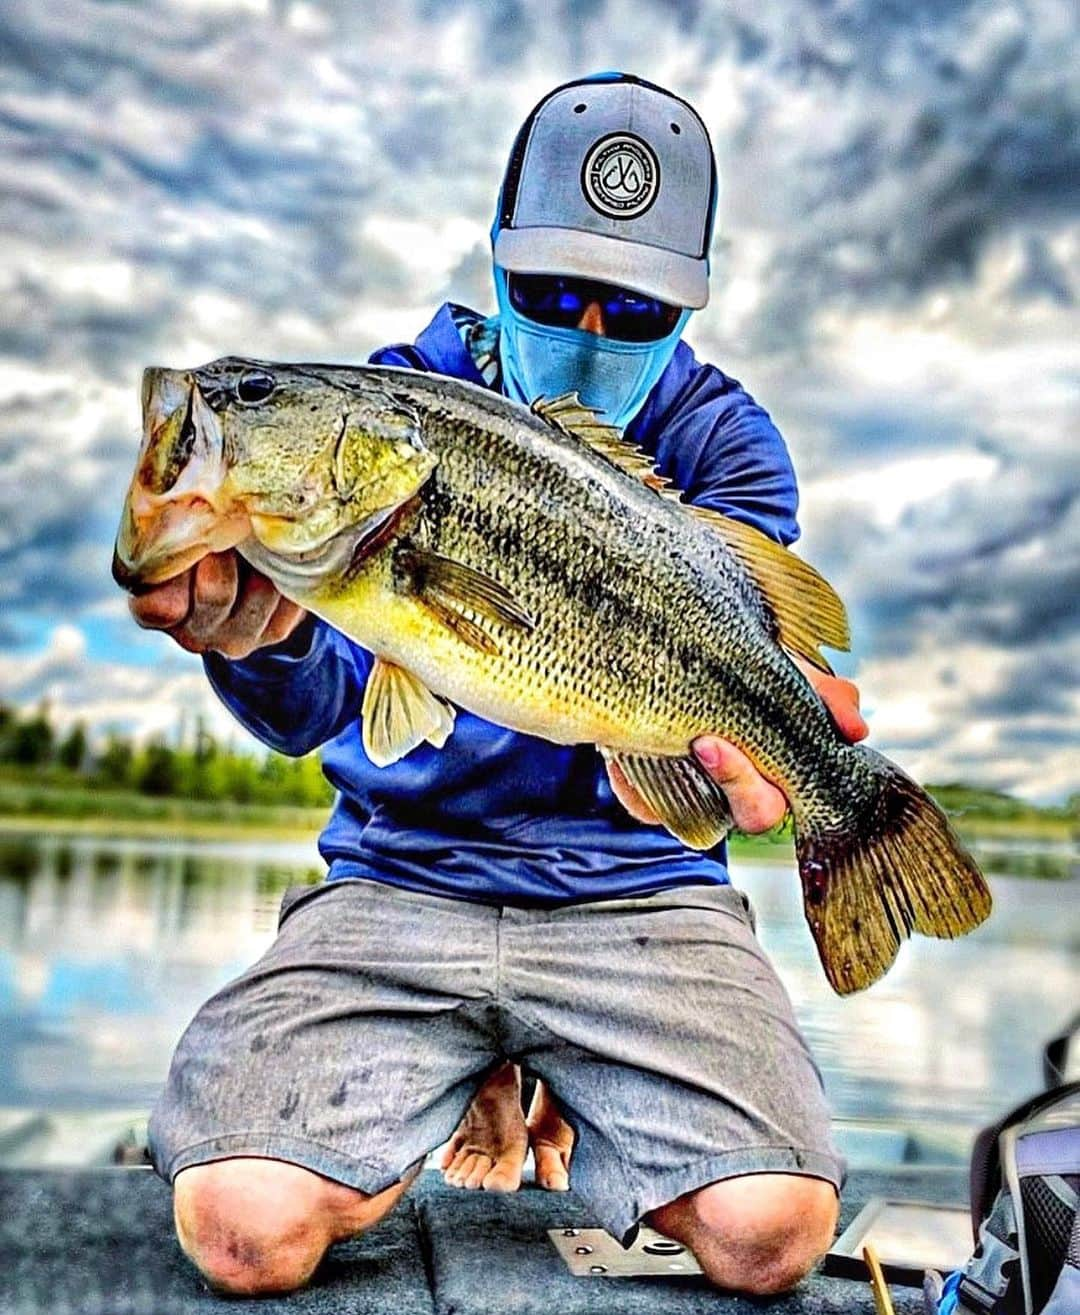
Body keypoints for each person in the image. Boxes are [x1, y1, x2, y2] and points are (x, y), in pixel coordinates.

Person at [130, 72, 867, 1298]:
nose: (583, 325)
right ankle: (444, 1090)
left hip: (636, 897)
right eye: (548, 291)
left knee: (772, 1233)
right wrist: (252, 639)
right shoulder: (397, 398)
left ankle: (547, 1085)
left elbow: (704, 733)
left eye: (630, 308)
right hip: (403, 877)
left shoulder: (731, 446)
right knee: (242, 1228)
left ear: (689, 306)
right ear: (496, 259)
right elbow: (321, 707)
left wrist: (727, 768)